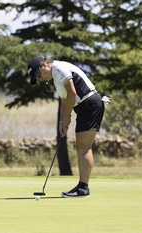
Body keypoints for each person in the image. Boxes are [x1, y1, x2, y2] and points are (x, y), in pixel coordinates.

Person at [27, 56, 109, 198]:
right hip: (83, 108)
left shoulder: (60, 68)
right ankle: (81, 186)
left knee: (84, 147)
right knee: (80, 147)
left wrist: (67, 117)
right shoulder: (56, 79)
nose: (41, 79)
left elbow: (72, 93)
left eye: (39, 75)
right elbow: (64, 100)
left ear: (43, 65)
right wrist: (62, 121)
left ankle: (83, 189)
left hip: (91, 104)